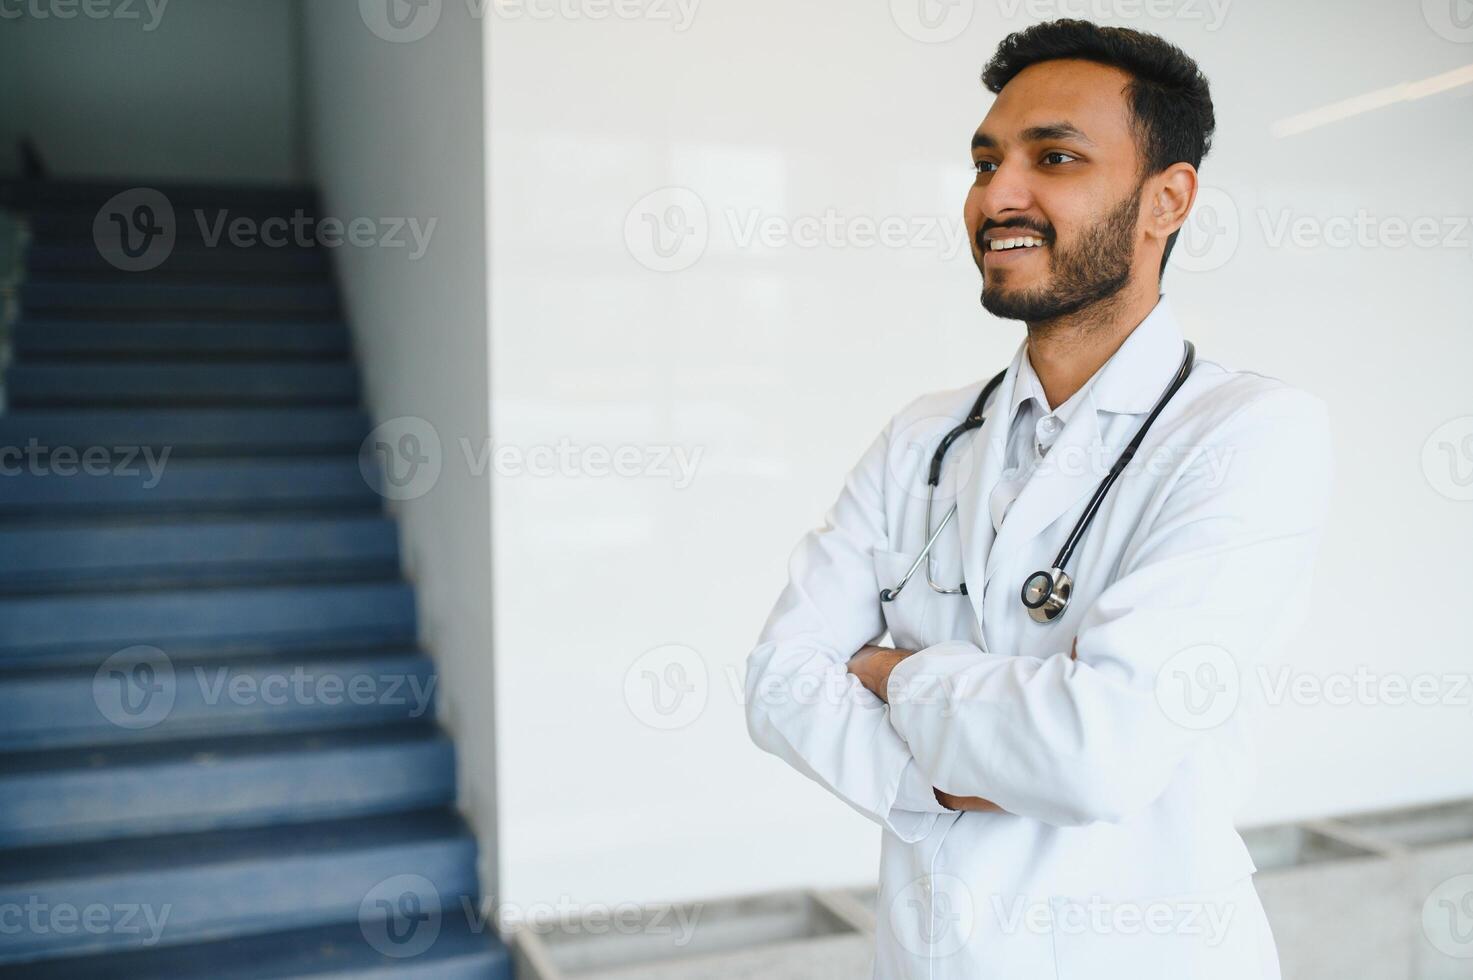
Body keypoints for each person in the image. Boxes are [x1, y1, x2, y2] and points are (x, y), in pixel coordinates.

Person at [743, 18, 1334, 979]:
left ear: (1166, 200)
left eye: (1052, 157)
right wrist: (952, 779)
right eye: (984, 163)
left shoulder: (1249, 433)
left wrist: (893, 673)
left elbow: (1093, 753)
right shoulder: (923, 438)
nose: (996, 196)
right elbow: (778, 683)